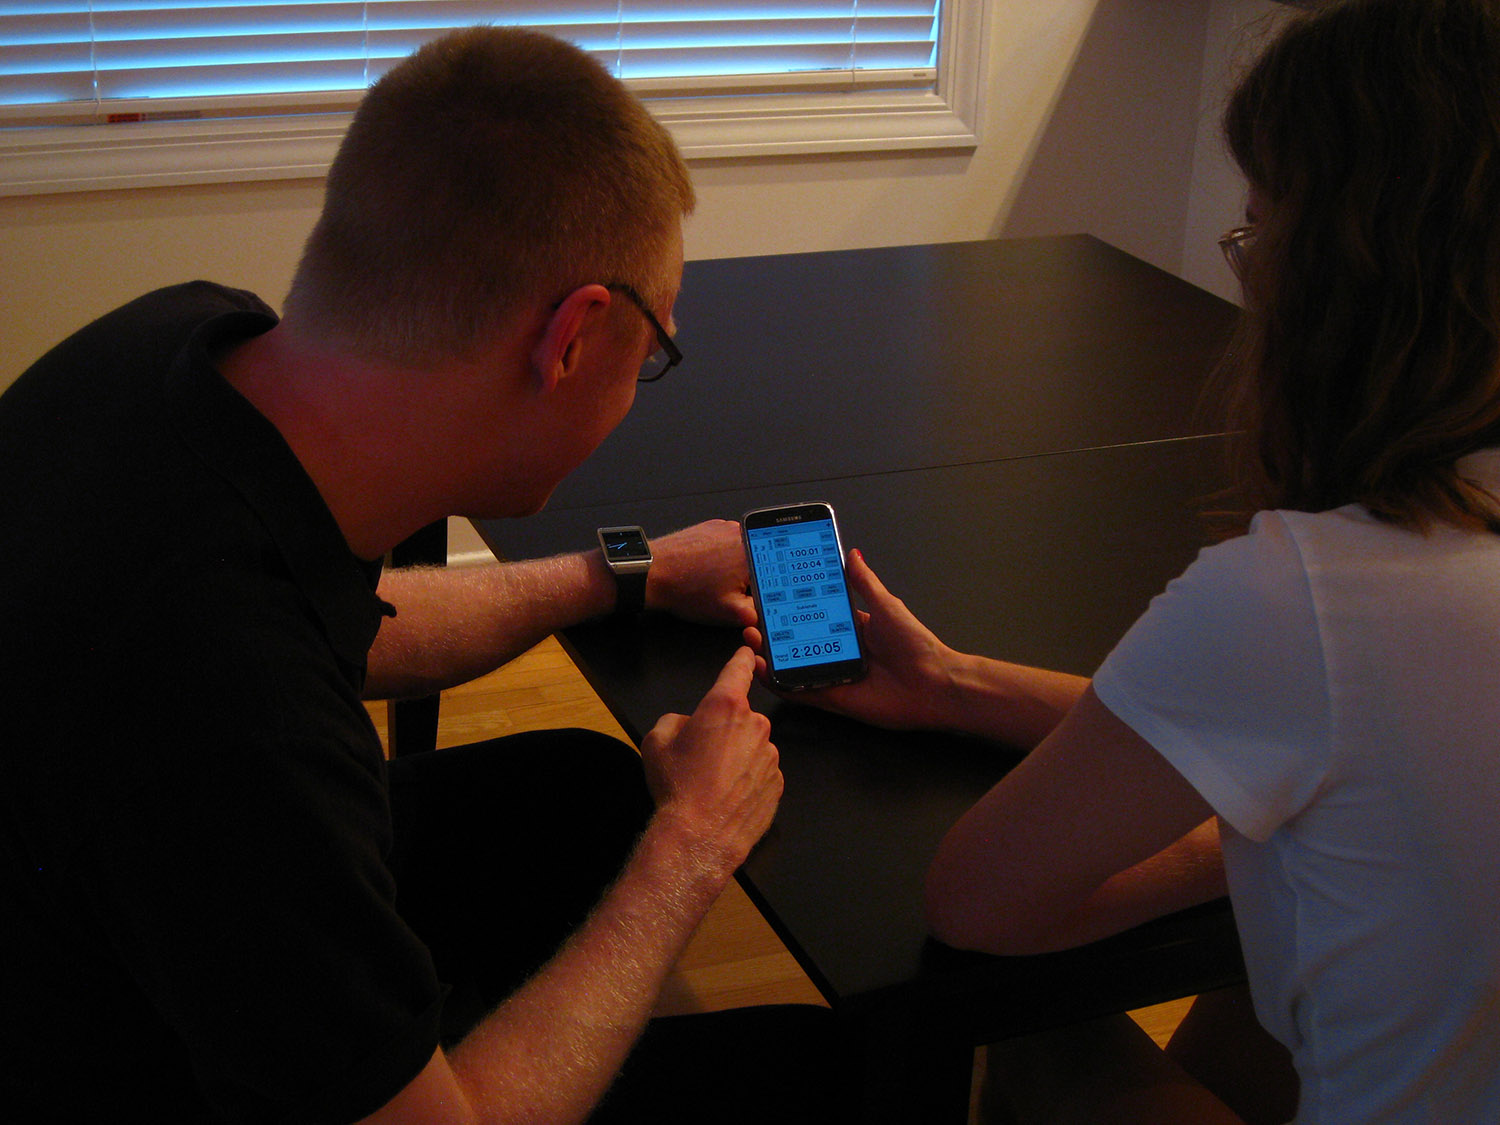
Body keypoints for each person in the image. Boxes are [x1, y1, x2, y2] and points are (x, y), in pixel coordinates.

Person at [0, 26, 848, 1124]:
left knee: (587, 795)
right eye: (652, 357)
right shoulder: (232, 716)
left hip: (101, 902)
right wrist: (695, 848)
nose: (642, 383)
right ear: (574, 339)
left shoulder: (179, 346)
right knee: (826, 1069)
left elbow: (353, 625)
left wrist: (623, 573)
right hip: (109, 1057)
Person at [748, 1, 1500, 1121]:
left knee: (1043, 1034)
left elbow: (978, 902)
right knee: (1257, 1002)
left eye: (1253, 233)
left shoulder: (1308, 595)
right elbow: (1316, 740)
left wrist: (1247, 830)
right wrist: (958, 686)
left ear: (1337, 280)